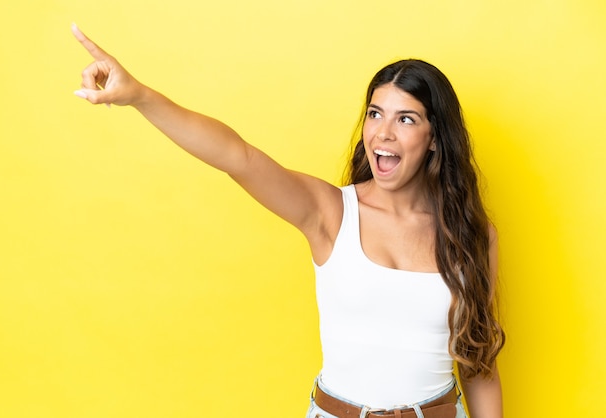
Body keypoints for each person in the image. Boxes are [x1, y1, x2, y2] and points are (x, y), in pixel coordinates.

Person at [72, 23, 505, 418]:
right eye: (375, 113)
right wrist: (141, 96)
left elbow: (479, 365)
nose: (383, 133)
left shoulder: (471, 235)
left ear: (434, 139)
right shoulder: (330, 213)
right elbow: (236, 157)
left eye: (405, 119)